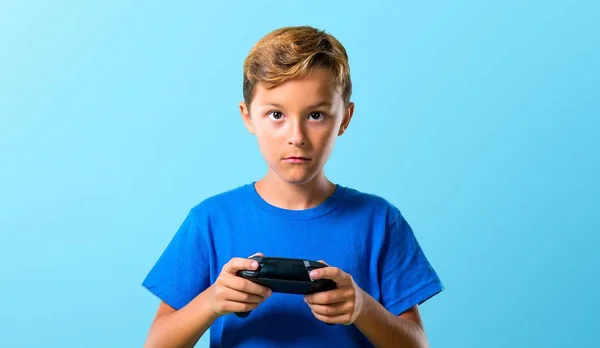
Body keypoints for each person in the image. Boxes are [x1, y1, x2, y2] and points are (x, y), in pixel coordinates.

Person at [141, 25, 444, 348]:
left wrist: (361, 307)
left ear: (345, 118)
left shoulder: (380, 221)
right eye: (276, 114)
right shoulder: (210, 220)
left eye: (316, 115)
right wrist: (212, 301)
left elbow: (417, 344)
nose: (296, 136)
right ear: (248, 117)